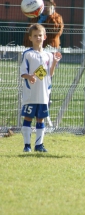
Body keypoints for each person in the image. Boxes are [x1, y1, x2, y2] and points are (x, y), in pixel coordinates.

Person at [20, 23, 62, 152]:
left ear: (45, 37)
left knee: (40, 119)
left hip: (44, 93)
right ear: (30, 38)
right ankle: (27, 145)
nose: (38, 38)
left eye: (40, 35)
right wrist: (29, 77)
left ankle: (39, 145)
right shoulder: (27, 54)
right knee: (28, 118)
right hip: (31, 94)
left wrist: (54, 62)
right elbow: (23, 73)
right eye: (35, 36)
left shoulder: (48, 55)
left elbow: (50, 73)